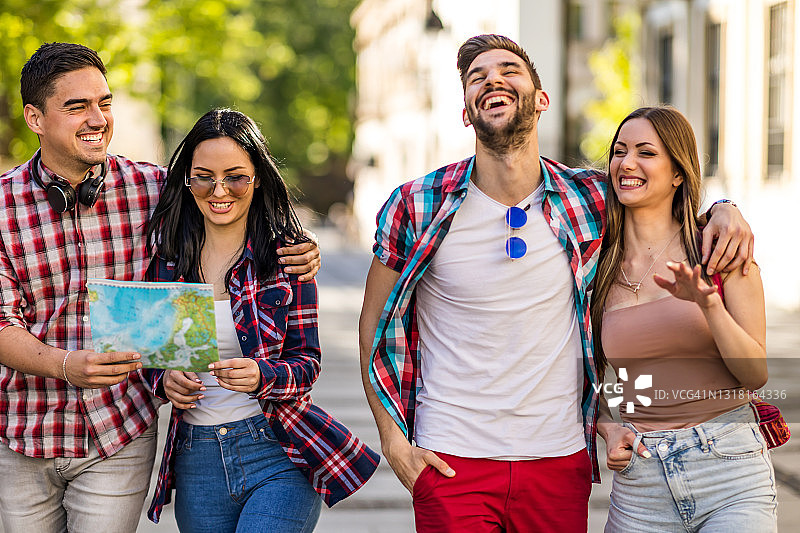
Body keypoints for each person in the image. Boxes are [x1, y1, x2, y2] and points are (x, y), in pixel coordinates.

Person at [358, 34, 754, 532]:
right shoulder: (417, 204)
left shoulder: (589, 197)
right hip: (450, 457)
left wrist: (723, 209)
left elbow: (661, 202)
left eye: (508, 70)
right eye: (477, 77)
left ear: (541, 100)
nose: (492, 79)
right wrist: (394, 440)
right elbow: (373, 324)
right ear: (466, 112)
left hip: (557, 458)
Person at [0, 43, 319, 533]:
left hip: (118, 432)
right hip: (24, 432)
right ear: (34, 118)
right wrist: (66, 365)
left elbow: (233, 196)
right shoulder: (2, 207)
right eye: (76, 106)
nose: (97, 118)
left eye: (104, 103)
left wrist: (298, 247)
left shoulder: (157, 191)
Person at [141, 108, 379, 531]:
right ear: (187, 181)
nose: (220, 190)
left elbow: (307, 365)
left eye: (235, 176)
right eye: (204, 177)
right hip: (196, 461)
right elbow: (152, 357)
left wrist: (260, 374)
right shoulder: (167, 261)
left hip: (276, 451)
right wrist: (166, 380)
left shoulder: (286, 258)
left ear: (257, 178)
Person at [593, 106, 776, 532]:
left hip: (730, 470)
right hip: (641, 484)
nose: (628, 163)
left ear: (679, 173)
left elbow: (756, 373)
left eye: (646, 152)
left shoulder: (721, 251)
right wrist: (606, 425)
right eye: (620, 151)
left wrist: (709, 305)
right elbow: (590, 374)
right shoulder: (596, 264)